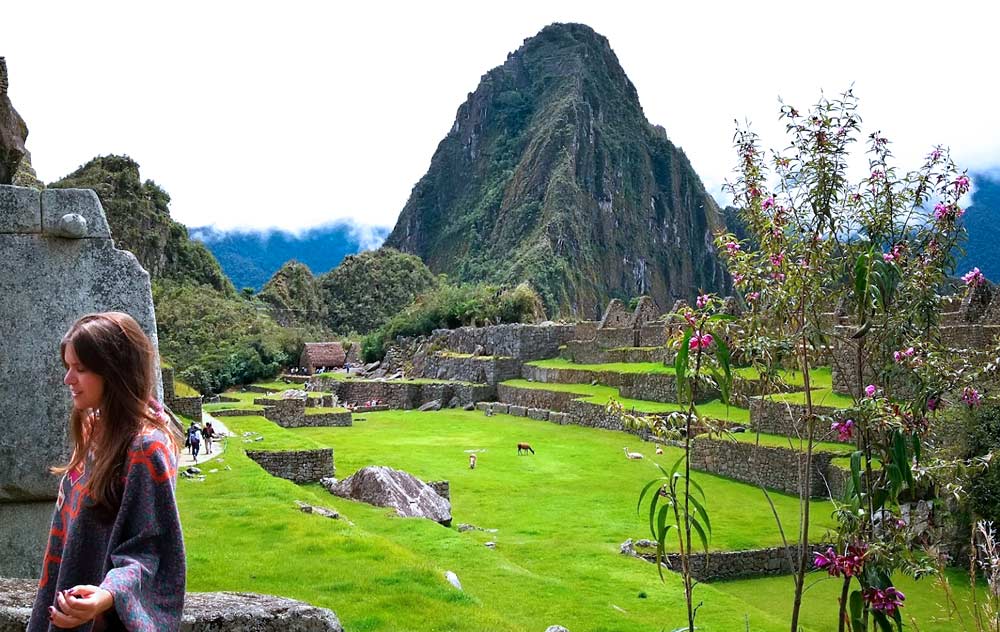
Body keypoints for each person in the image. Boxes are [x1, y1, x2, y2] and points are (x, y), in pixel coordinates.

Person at [28, 311, 186, 631]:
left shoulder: (146, 448)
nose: (68, 379)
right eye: (68, 367)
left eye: (80, 369)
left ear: (114, 372)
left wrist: (107, 595)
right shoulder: (95, 430)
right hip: (68, 605)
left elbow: (153, 547)